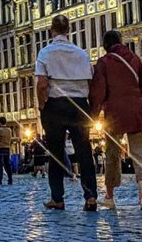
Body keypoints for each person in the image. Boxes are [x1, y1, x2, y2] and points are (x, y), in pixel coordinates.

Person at [34, 15, 97, 211]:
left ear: (52, 31)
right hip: (79, 104)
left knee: (56, 152)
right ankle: (90, 196)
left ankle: (57, 198)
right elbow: (90, 82)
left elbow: (42, 84)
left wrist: (42, 105)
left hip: (56, 104)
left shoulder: (45, 53)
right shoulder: (81, 54)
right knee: (84, 151)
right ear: (68, 30)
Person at [89, 29, 142, 211]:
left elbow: (98, 93)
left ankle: (110, 196)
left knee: (112, 155)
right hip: (136, 112)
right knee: (140, 155)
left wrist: (93, 115)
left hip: (115, 115)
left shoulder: (103, 63)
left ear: (105, 45)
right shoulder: (134, 58)